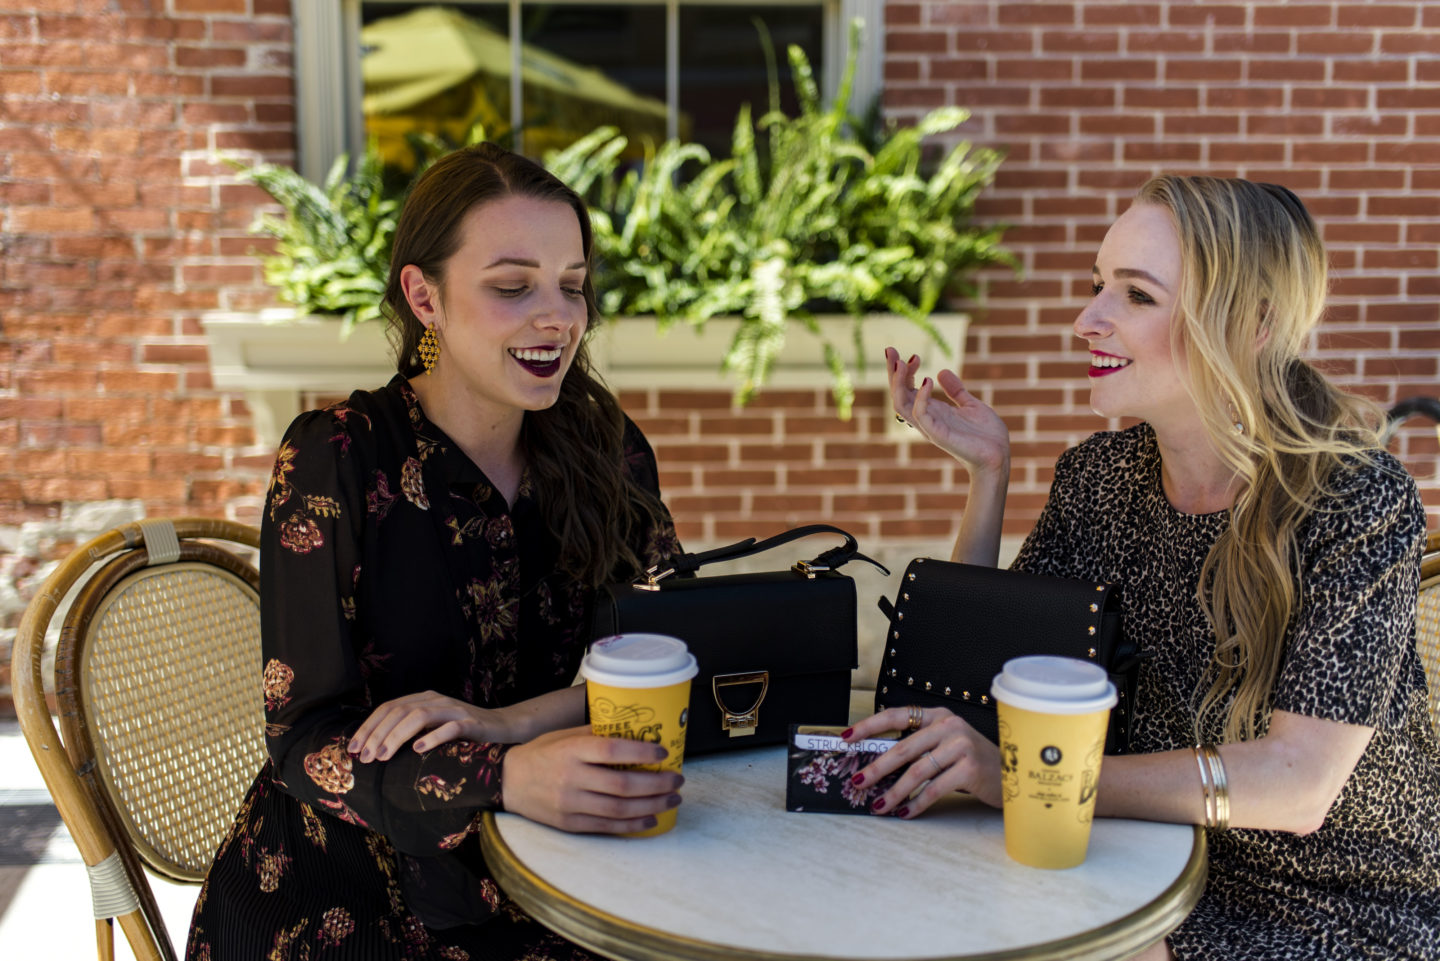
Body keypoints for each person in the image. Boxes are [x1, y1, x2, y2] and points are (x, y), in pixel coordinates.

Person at [847, 176, 1440, 959]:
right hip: (1141, 857)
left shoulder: (1356, 501)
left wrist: (1032, 779)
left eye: (1135, 295)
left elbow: (1299, 783)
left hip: (1335, 904)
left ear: (1251, 323)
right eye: (1098, 286)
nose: (1085, 319)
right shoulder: (1102, 477)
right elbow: (983, 684)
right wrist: (987, 476)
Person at [187, 143, 684, 960]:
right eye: (512, 286)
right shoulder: (335, 458)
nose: (556, 316)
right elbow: (304, 735)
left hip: (569, 873)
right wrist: (501, 774)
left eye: (572, 284)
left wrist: (506, 729)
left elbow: (647, 661)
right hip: (346, 892)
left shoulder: (610, 452)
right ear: (425, 296)